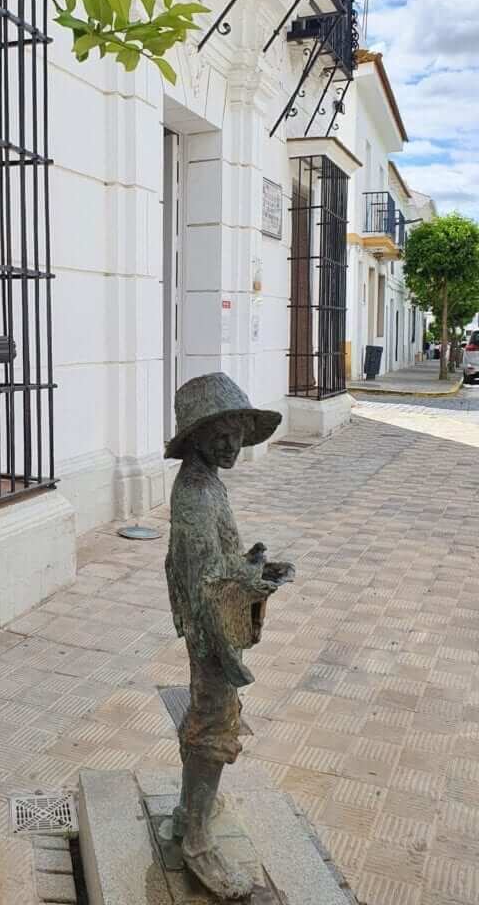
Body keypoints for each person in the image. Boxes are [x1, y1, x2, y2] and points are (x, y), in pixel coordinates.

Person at [164, 373, 294, 900]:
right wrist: (248, 579)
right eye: (218, 432)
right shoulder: (195, 494)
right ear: (194, 436)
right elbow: (201, 580)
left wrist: (251, 566)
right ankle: (196, 840)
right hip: (210, 630)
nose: (231, 443)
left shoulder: (209, 484)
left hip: (216, 623)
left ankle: (186, 812)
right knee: (214, 726)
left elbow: (214, 562)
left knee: (208, 715)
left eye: (237, 429)